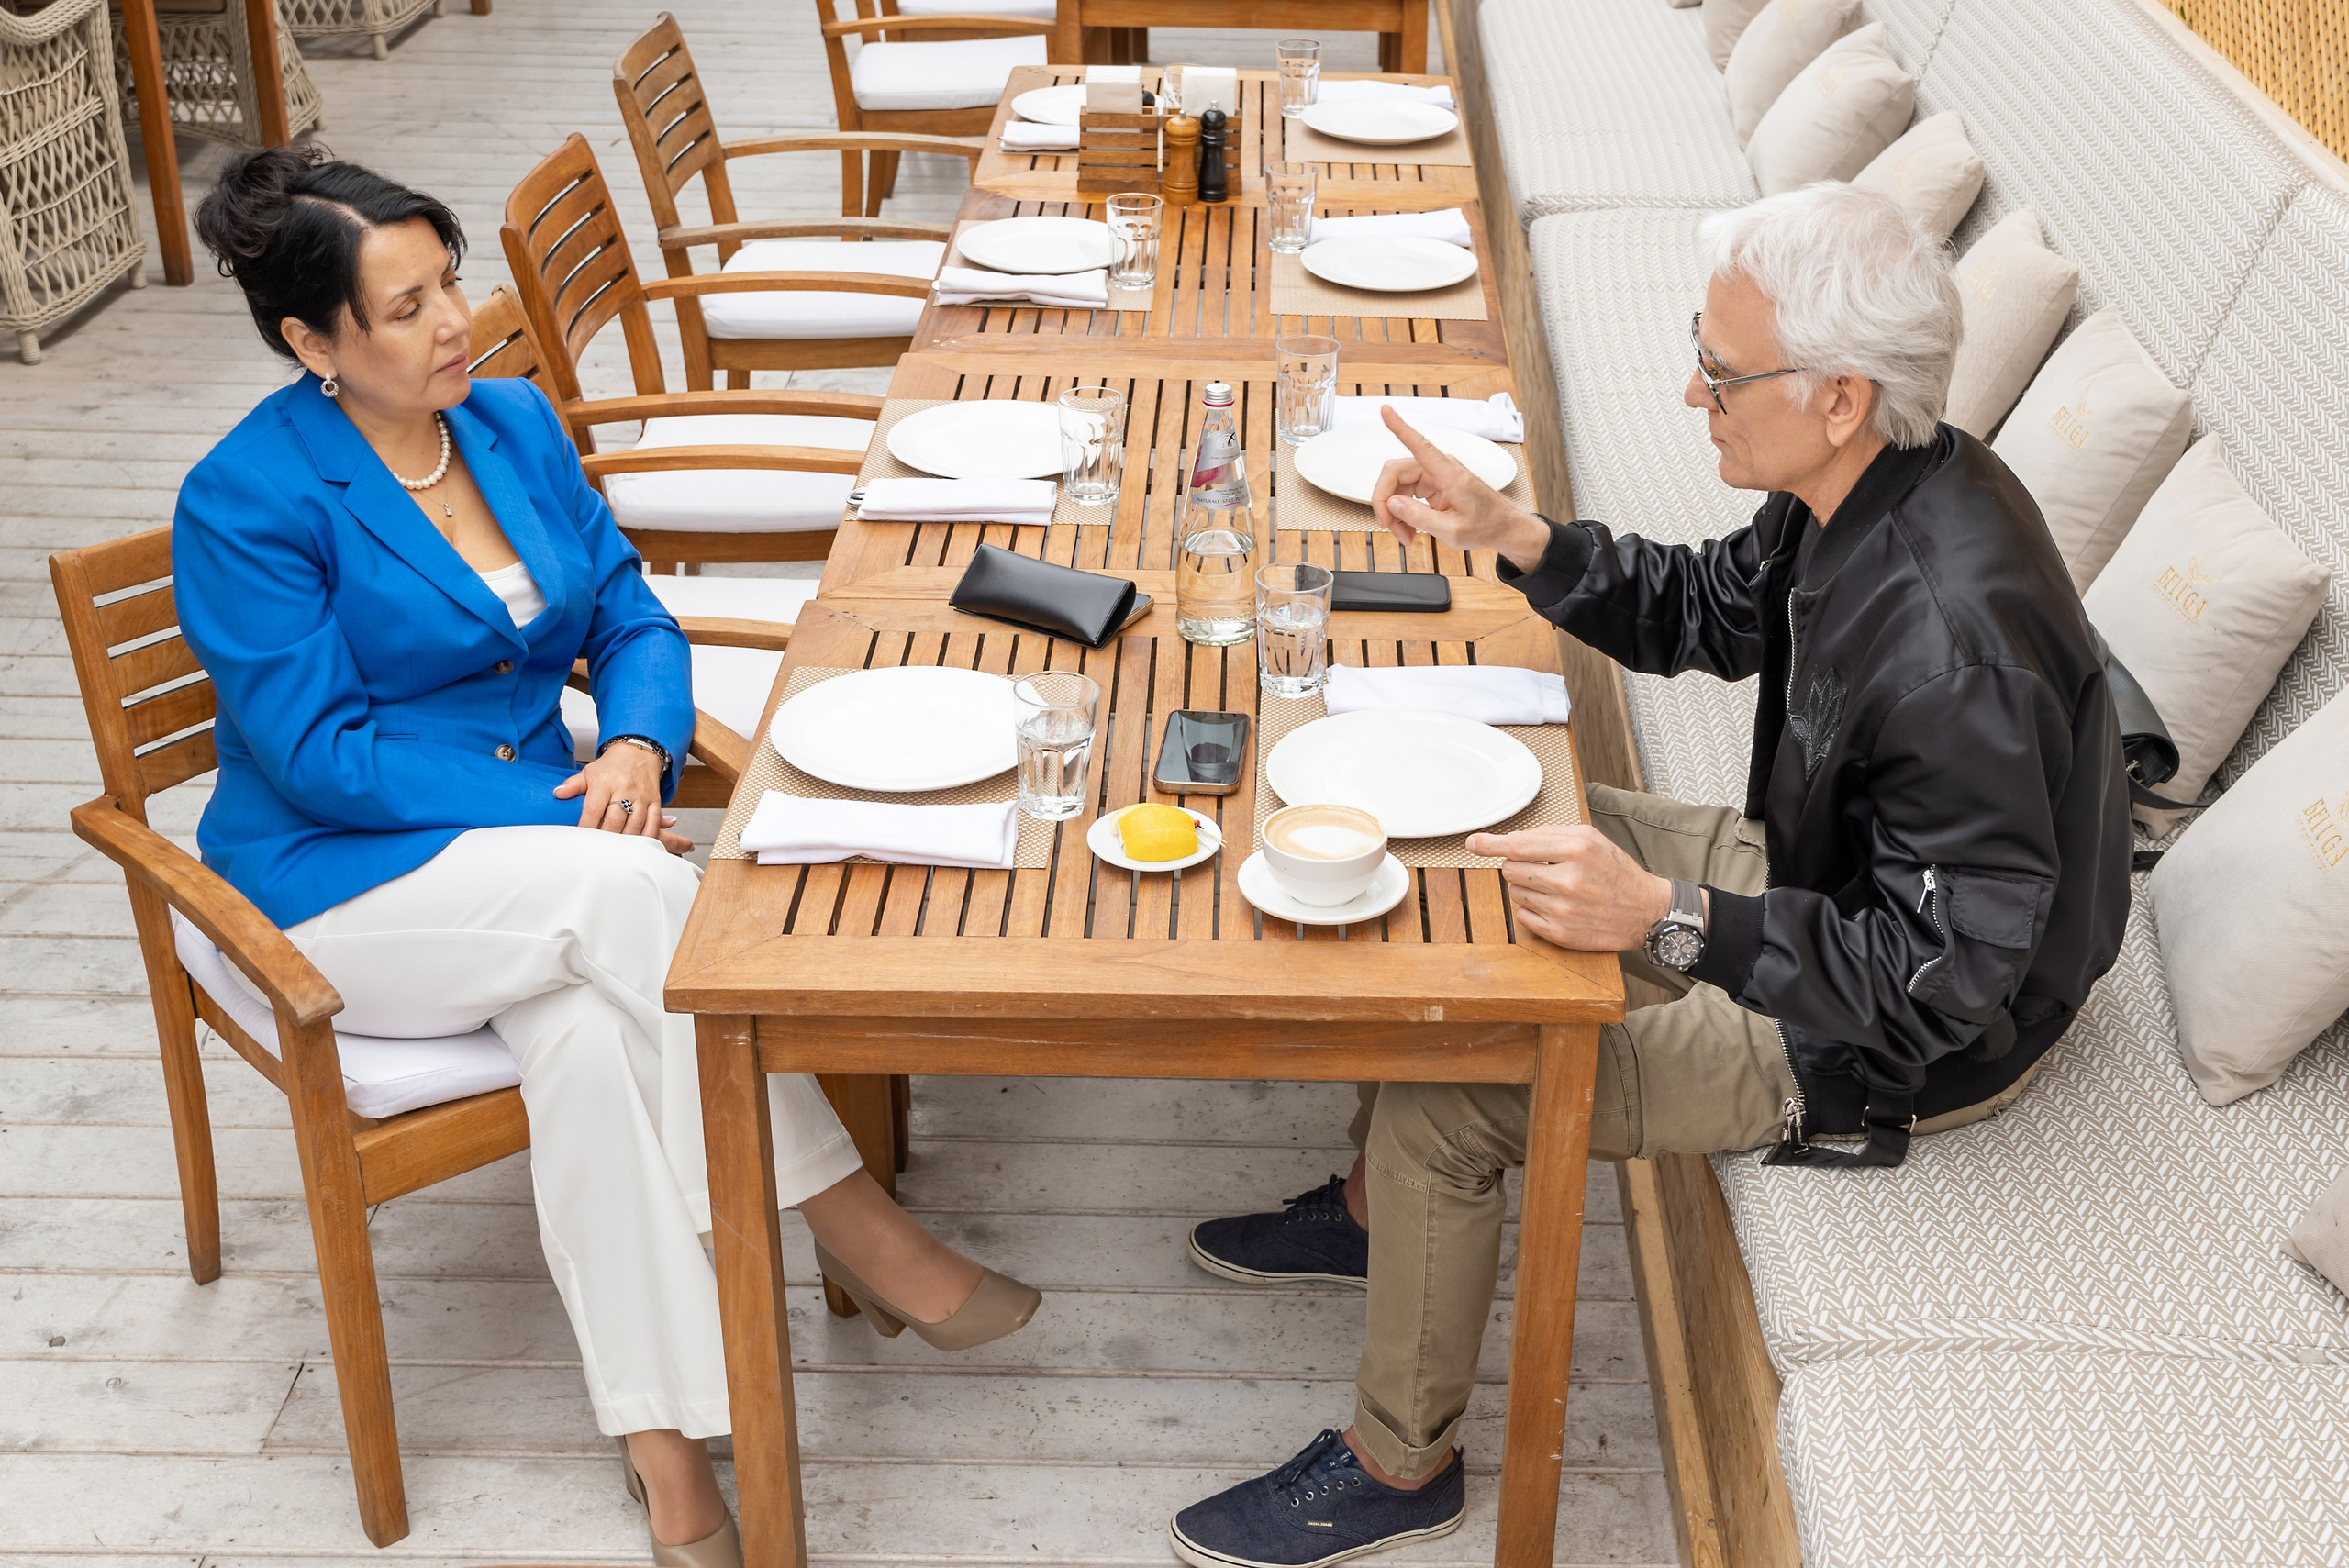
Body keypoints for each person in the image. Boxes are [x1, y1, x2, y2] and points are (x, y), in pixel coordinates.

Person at [1167, 183, 2132, 1568]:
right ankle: (1387, 1213)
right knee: (1463, 856)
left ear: (1843, 392)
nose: (1692, 389)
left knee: (1460, 1100)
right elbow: (1711, 606)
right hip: (1833, 885)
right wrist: (1512, 531)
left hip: (1893, 1035)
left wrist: (1669, 920)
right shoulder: (1870, 483)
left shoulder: (1946, 642)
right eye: (1698, 345)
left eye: (1722, 370)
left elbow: (1945, 976)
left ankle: (1398, 1463)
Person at [175, 146, 1040, 1568]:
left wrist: (636, 749)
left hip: (551, 874)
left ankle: (674, 1465)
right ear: (310, 341)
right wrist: (572, 810)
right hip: (341, 884)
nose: (454, 320)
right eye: (403, 308)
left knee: (586, 1032)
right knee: (637, 888)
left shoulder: (506, 422)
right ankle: (855, 1221)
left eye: (448, 280)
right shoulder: (248, 500)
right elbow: (321, 752)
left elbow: (630, 613)